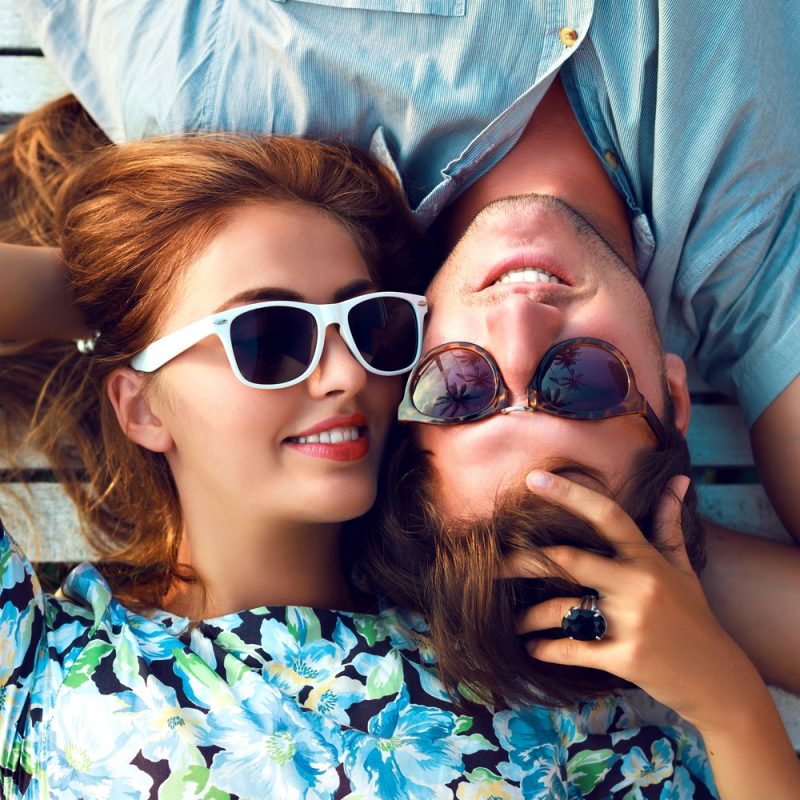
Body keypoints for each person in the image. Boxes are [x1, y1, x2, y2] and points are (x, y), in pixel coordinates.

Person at [1, 102, 798, 800]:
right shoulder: (39, 675)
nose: (346, 375)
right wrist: (116, 297)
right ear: (140, 406)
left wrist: (728, 702)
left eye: (374, 329)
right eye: (268, 337)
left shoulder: (517, 642)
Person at [13, 0, 800, 542]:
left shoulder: (229, 102)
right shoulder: (757, 260)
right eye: (583, 385)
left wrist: (97, 295)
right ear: (672, 393)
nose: (522, 321)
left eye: (461, 392)